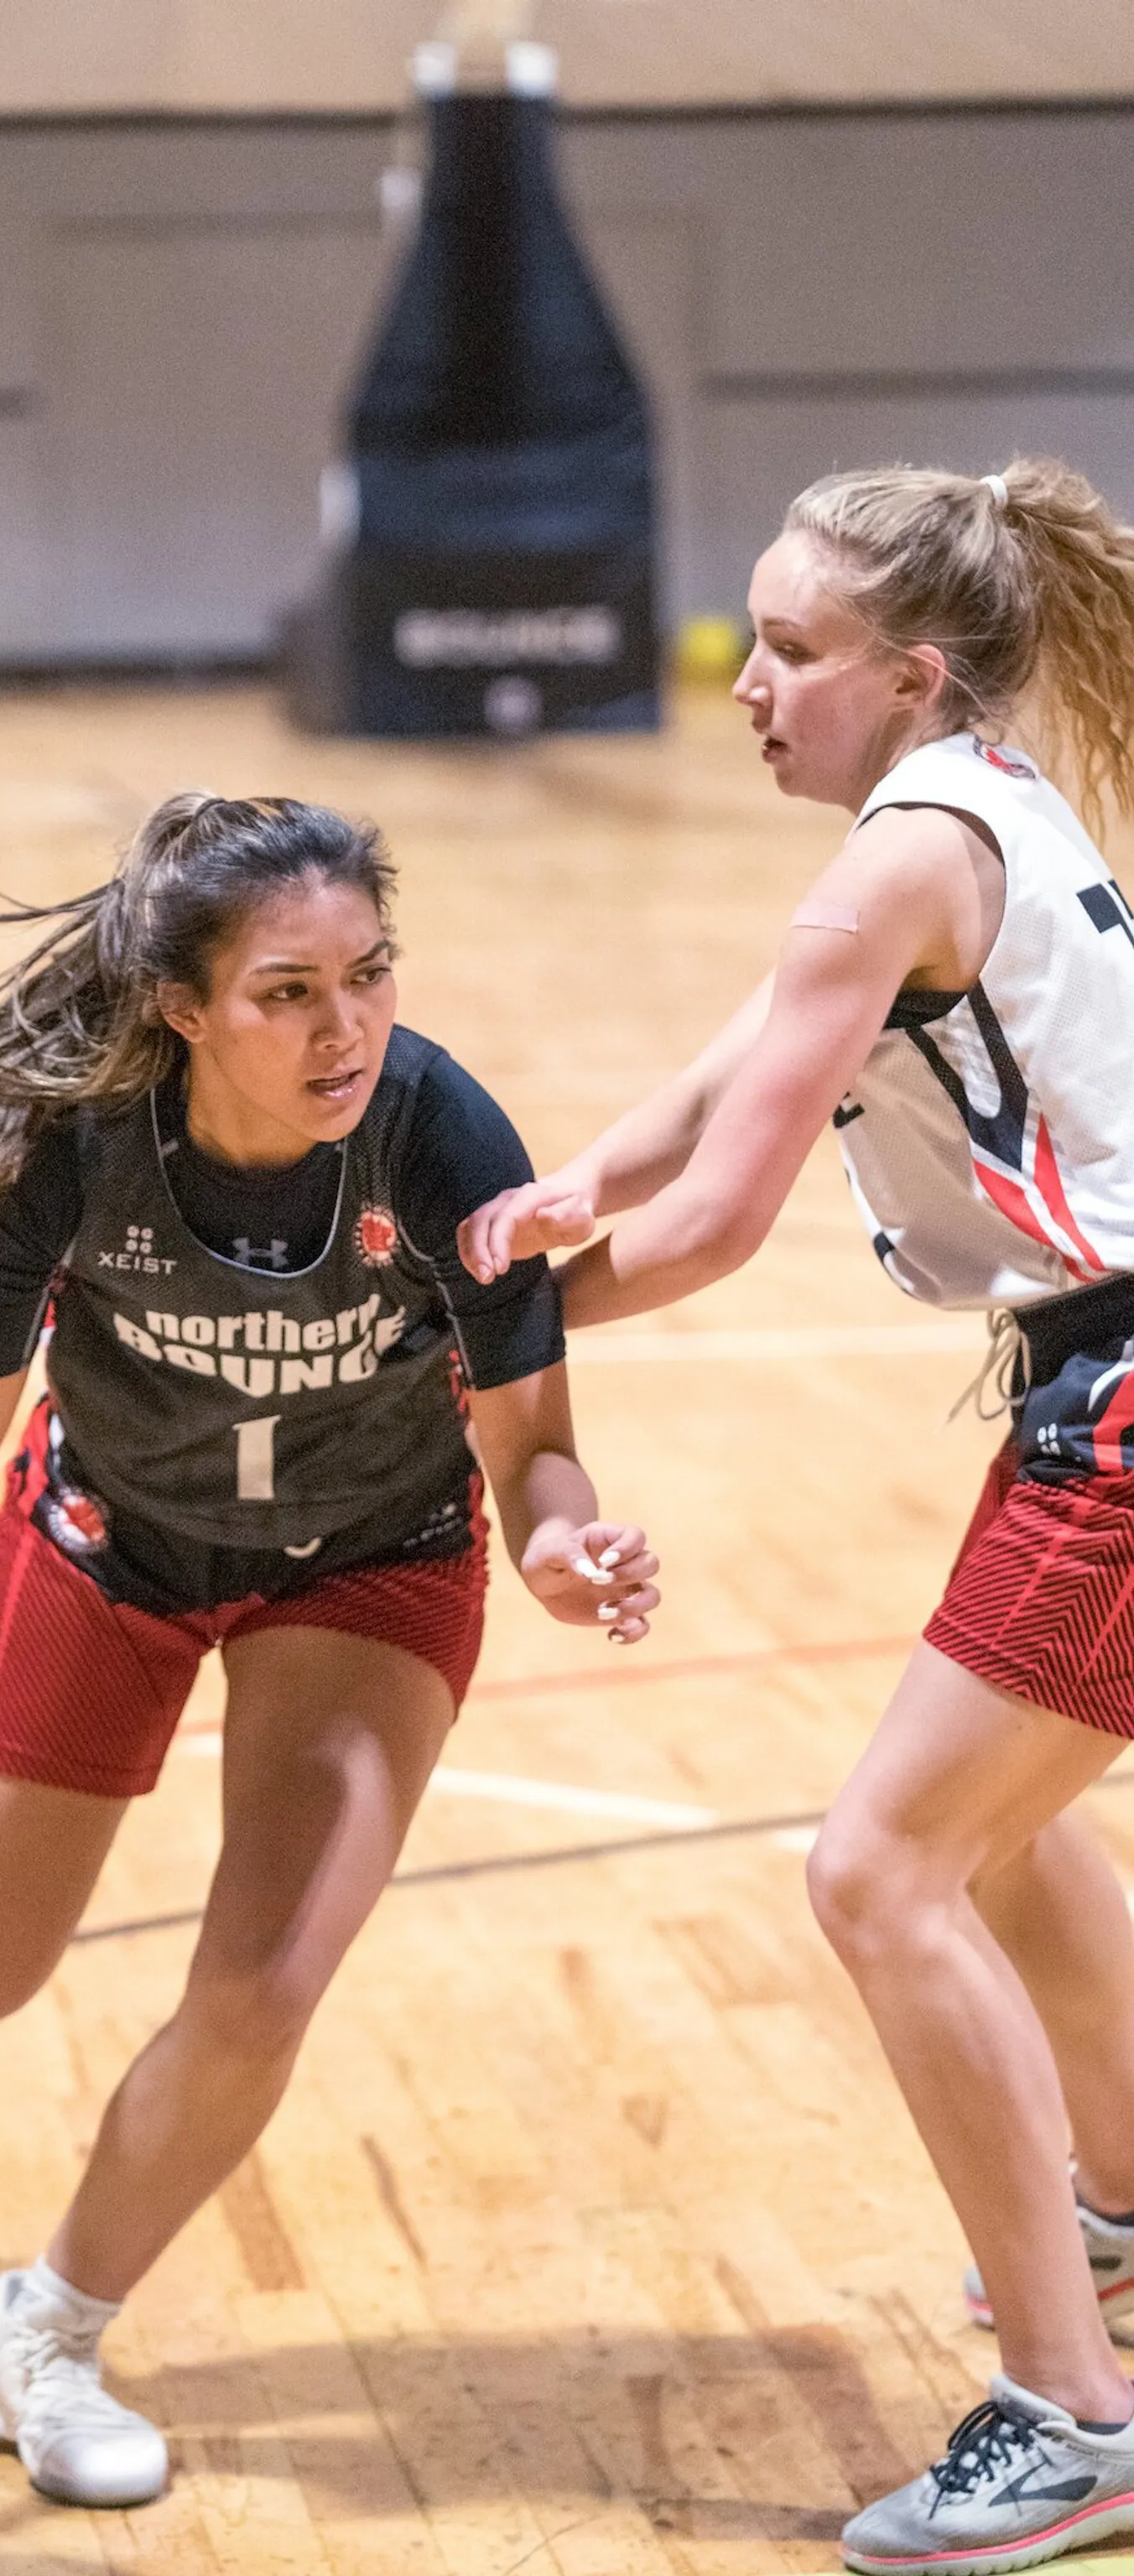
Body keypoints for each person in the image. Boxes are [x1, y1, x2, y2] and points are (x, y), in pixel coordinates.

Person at [0, 792, 659, 2510]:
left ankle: (46, 2332)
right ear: (185, 1006)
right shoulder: (70, 1149)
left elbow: (533, 1445)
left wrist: (559, 1544)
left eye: (369, 973)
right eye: (288, 992)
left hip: (372, 1553)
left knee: (261, 1987)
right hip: (112, 1534)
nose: (344, 1027)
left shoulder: (441, 1133)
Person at [461, 459, 1134, 2575]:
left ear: (910, 673)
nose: (743, 683)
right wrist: (578, 1176)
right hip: (1097, 1375)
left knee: (880, 1870)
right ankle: (1121, 2216)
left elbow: (716, 1224)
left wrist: (470, 1325)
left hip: (1125, 1403)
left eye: (788, 649)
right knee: (999, 1830)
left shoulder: (891, 861)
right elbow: (739, 1058)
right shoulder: (968, 798)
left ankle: (1073, 2416)